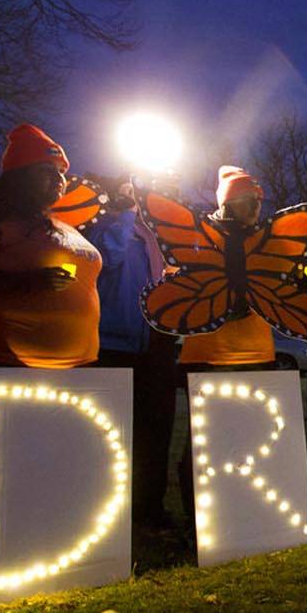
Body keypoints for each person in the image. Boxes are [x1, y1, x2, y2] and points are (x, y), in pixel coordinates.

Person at [0, 124, 102, 540]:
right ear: (18, 174)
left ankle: (39, 539)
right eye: (47, 170)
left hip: (75, 366)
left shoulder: (59, 223)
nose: (59, 180)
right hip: (4, 361)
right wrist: (25, 284)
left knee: (54, 458)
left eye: (62, 172)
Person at [174, 167, 279, 527]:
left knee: (252, 438)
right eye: (251, 201)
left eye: (259, 202)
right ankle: (200, 521)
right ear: (230, 202)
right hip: (211, 355)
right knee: (206, 442)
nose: (257, 208)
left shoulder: (264, 239)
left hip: (258, 353)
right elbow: (180, 283)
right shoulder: (199, 236)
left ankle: (242, 511)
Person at [85, 177, 175, 530]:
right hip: (113, 344)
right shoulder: (106, 225)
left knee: (155, 433)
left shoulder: (161, 234)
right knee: (110, 436)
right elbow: (106, 258)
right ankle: (105, 514)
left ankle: (149, 510)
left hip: (155, 344)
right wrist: (127, 215)